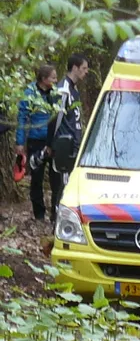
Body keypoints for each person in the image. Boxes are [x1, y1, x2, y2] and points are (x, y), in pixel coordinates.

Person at [14, 64, 60, 221]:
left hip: (53, 141)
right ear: (44, 79)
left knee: (56, 178)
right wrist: (20, 142)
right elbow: (22, 118)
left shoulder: (56, 93)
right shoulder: (30, 93)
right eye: (53, 77)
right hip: (36, 141)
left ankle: (55, 212)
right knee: (37, 179)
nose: (56, 80)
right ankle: (39, 214)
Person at [50, 53, 89, 220]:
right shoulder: (63, 89)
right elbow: (55, 119)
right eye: (84, 68)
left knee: (72, 182)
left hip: (75, 143)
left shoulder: (75, 89)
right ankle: (56, 216)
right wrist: (53, 145)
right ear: (74, 67)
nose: (86, 72)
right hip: (64, 145)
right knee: (62, 183)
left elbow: (76, 118)